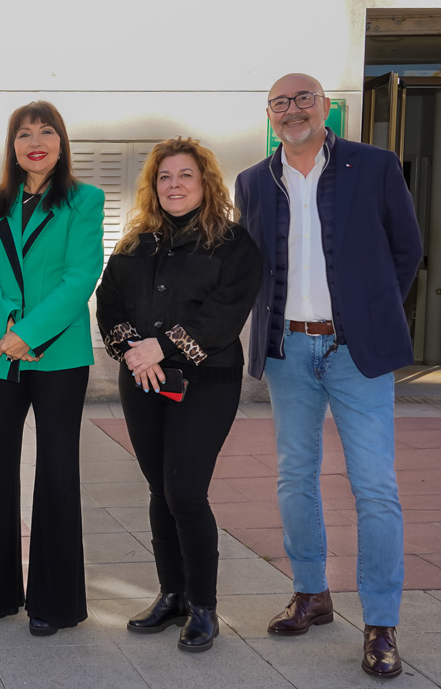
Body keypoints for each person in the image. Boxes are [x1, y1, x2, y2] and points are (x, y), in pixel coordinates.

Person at [235, 73, 421, 679]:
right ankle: (311, 593)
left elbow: (407, 249)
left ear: (324, 107)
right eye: (280, 103)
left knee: (375, 488)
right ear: (270, 115)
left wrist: (369, 317)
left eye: (303, 100)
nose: (293, 111)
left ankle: (381, 623)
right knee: (295, 478)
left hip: (354, 352)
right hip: (289, 350)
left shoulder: (374, 164)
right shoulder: (253, 181)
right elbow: (250, 263)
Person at [95, 137, 261, 652]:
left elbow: (223, 315)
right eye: (165, 177)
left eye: (185, 175)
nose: (174, 185)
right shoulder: (133, 244)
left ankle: (204, 607)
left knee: (185, 492)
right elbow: (109, 301)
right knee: (158, 490)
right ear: (153, 185)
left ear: (205, 182)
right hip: (143, 381)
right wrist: (133, 352)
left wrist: (159, 347)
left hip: (207, 381)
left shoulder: (234, 244)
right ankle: (172, 595)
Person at [0, 101, 104, 637]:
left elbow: (80, 276)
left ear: (62, 142)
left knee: (57, 473)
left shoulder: (85, 201)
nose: (35, 141)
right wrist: (8, 328)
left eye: (47, 131)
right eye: (24, 134)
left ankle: (55, 602)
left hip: (59, 355)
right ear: (12, 146)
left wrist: (29, 332)